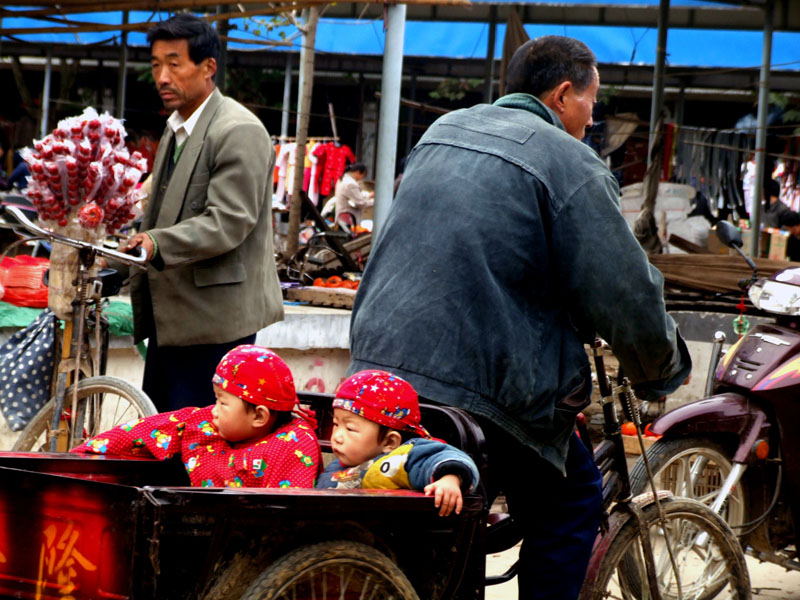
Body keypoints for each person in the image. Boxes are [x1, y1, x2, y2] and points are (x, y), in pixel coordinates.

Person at [348, 35, 691, 600]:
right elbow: (625, 292)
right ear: (562, 95)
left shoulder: (442, 131)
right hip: (478, 385)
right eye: (590, 103)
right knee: (573, 501)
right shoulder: (568, 162)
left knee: (460, 506)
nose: (591, 117)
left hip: (377, 369)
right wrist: (661, 369)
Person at [119, 14, 283, 412]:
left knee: (199, 444)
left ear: (208, 67)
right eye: (156, 64)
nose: (162, 76)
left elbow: (230, 220)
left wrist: (156, 242)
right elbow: (159, 214)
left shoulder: (237, 129)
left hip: (214, 323)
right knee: (162, 433)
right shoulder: (177, 129)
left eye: (175, 63)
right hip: (172, 316)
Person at [72, 345, 321, 488]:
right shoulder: (203, 425)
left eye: (223, 402)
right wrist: (79, 459)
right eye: (216, 399)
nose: (213, 409)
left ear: (259, 416)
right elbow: (139, 434)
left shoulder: (292, 446)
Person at [315, 370, 479, 517]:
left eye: (350, 428)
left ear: (390, 441)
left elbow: (447, 457)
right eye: (336, 424)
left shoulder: (405, 457)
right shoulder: (336, 468)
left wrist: (450, 479)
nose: (337, 436)